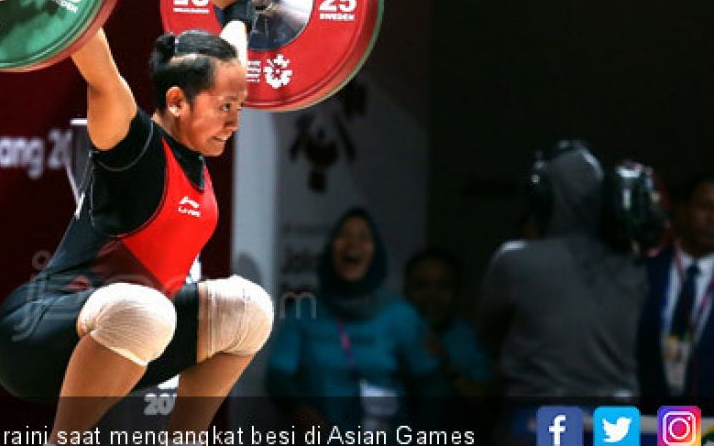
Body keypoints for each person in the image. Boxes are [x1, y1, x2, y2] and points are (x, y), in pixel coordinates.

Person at [0, 0, 275, 439]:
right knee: (148, 311)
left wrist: (239, 11)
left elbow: (229, 65)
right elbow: (101, 72)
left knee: (248, 308)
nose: (235, 121)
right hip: (35, 336)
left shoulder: (195, 150)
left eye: (237, 107)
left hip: (134, 334)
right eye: (226, 108)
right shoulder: (133, 146)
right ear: (177, 101)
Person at [477, 141, 646, 442]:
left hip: (539, 415)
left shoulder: (514, 261)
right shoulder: (635, 266)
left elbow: (488, 337)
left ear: (542, 197)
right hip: (617, 423)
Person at [265, 208, 439, 431]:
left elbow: (431, 383)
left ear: (375, 252)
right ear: (331, 249)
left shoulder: (400, 314)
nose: (352, 244)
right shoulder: (305, 311)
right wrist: (301, 412)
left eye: (363, 237)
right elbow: (278, 376)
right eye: (343, 235)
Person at [638, 172, 714, 398]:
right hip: (647, 419)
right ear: (682, 210)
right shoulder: (644, 271)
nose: (712, 218)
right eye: (705, 207)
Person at [402, 248, 493, 408]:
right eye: (421, 285)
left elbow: (489, 410)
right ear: (406, 292)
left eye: (443, 286)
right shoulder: (388, 336)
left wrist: (447, 367)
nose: (432, 296)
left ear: (457, 293)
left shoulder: (475, 339)